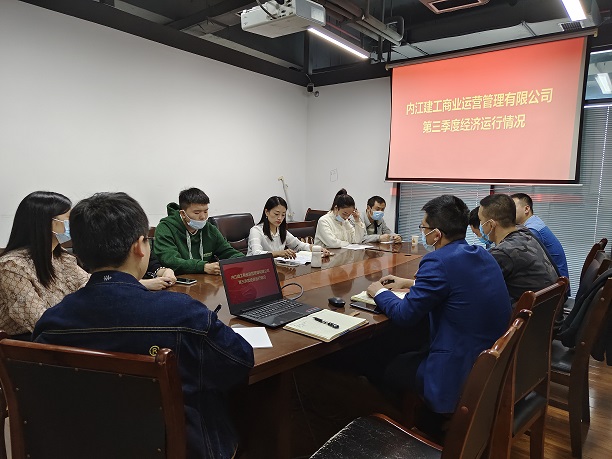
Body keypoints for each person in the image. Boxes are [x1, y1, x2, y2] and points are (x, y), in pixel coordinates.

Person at [33, 192, 254, 459]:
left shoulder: (51, 323)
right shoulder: (183, 314)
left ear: (77, 250)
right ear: (140, 246)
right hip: (180, 446)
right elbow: (240, 361)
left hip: (84, 446)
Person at [365, 194, 511, 416]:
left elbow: (405, 314)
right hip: (486, 362)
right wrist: (410, 283)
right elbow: (457, 286)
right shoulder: (481, 254)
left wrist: (379, 291)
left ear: (436, 234)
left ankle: (401, 420)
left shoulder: (437, 261)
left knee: (382, 362)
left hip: (454, 370)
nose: (422, 232)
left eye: (423, 228)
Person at [0, 191, 89, 338]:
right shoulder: (12, 266)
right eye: (69, 219)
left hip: (61, 334)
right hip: (26, 342)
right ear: (48, 223)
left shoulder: (62, 258)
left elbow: (91, 286)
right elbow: (39, 320)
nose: (74, 225)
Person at [479, 193, 558, 304]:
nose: (480, 225)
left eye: (480, 220)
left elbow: (477, 287)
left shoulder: (503, 252)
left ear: (491, 225)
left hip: (528, 312)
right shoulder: (525, 233)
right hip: (548, 308)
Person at [153, 188, 243, 275]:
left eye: (205, 211)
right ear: (183, 214)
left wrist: (243, 261)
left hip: (206, 281)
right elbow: (170, 261)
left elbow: (228, 252)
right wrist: (203, 267)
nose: (203, 217)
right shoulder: (166, 228)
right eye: (197, 213)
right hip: (177, 280)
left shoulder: (209, 229)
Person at [511, 192, 570, 294]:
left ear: (526, 209)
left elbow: (517, 257)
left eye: (513, 208)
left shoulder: (532, 230)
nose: (509, 212)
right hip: (555, 285)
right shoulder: (534, 222)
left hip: (555, 289)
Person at [247, 196, 330, 258]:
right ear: (267, 212)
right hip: (255, 271)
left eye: (283, 215)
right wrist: (280, 253)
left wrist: (317, 249)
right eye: (276, 214)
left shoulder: (281, 231)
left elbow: (299, 245)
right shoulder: (256, 231)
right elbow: (256, 254)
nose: (280, 218)